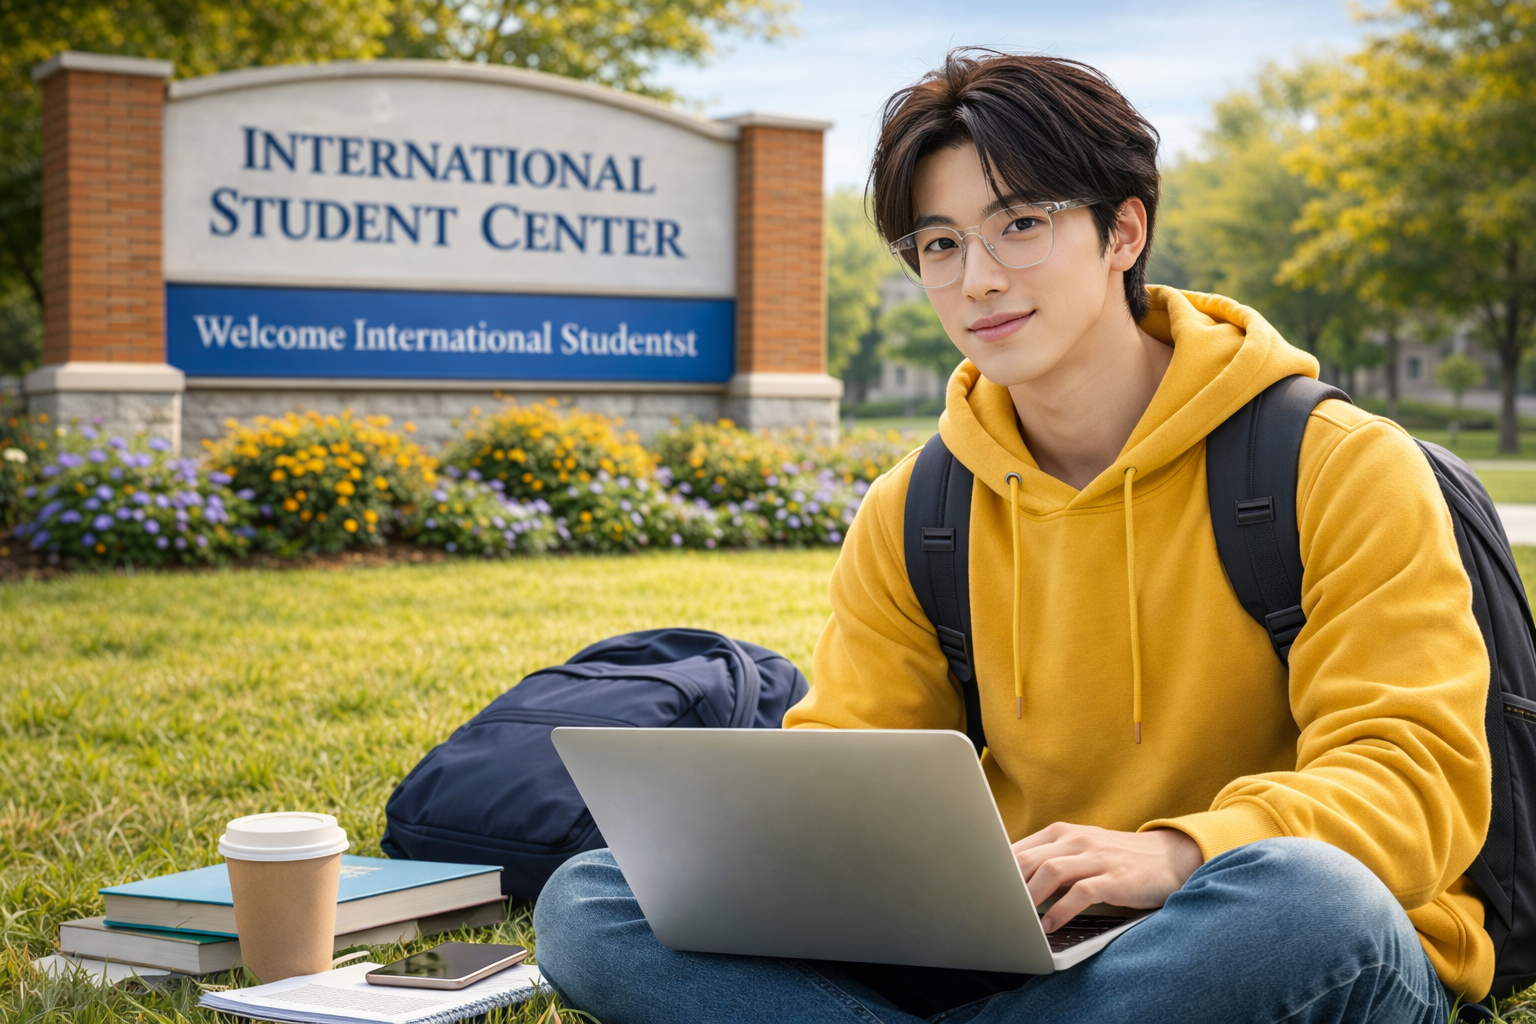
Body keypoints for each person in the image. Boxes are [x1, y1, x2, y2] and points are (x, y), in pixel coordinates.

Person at [532, 50, 1491, 1023]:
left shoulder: (1332, 462)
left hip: (1249, 923)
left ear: (1125, 228)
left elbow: (1415, 784)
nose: (977, 279)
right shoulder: (915, 509)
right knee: (595, 903)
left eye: (1020, 225)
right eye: (939, 244)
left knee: (1313, 906)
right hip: (1022, 940)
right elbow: (850, 779)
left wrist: (1177, 852)